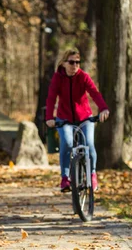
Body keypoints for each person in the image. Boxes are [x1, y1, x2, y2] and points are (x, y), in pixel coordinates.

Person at [45, 49, 109, 192]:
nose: (75, 66)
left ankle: (92, 173)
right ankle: (65, 178)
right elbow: (51, 98)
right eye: (72, 62)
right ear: (64, 63)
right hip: (64, 119)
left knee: (89, 143)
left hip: (85, 118)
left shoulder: (83, 77)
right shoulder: (58, 78)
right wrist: (49, 117)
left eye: (77, 62)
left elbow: (95, 93)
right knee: (67, 143)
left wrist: (104, 108)